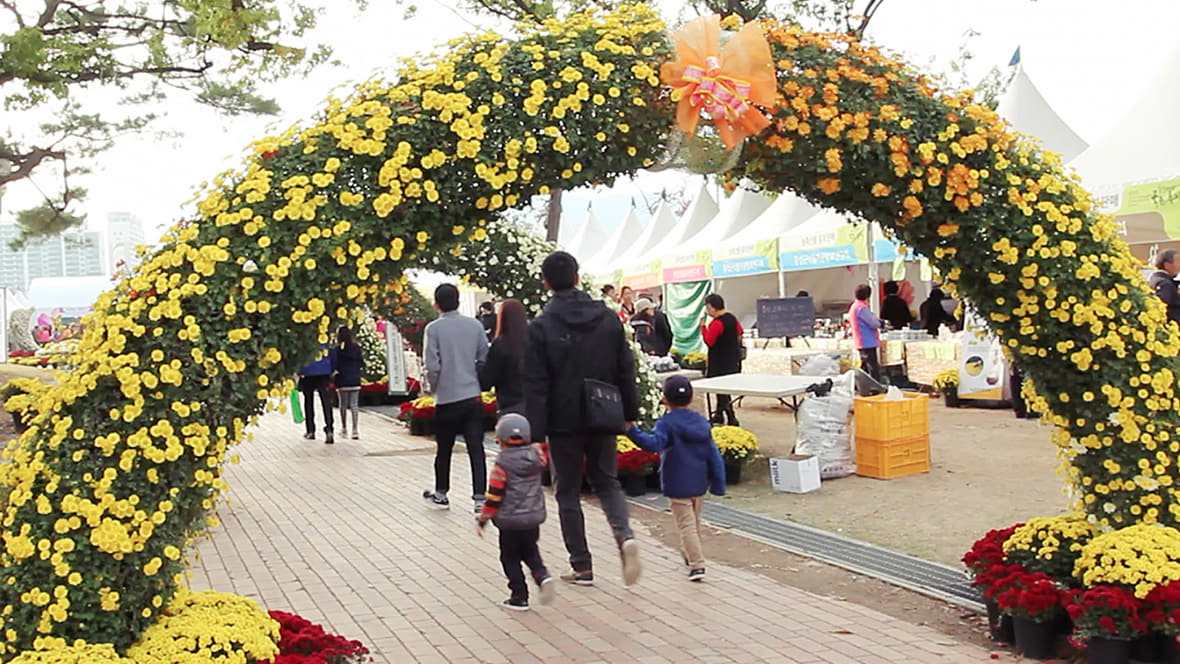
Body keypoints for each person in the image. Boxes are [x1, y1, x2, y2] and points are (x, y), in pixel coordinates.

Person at [524, 251, 642, 587]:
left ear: (547, 284)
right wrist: (628, 414)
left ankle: (582, 565)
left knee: (568, 491)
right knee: (608, 482)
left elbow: (535, 383)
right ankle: (625, 536)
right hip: (603, 411)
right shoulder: (606, 318)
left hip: (563, 421)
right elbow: (625, 368)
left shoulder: (542, 326)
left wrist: (536, 432)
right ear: (578, 277)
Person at [626, 375, 726, 581]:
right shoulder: (701, 423)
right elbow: (713, 454)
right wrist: (718, 483)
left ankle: (697, 564)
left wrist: (632, 431)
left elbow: (654, 444)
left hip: (677, 482)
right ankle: (689, 554)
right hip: (699, 482)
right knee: (694, 523)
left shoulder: (667, 423)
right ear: (691, 399)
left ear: (665, 399)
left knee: (686, 525)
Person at [476, 413, 556, 611]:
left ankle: (519, 595)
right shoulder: (536, 457)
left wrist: (483, 519)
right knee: (530, 551)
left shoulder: (502, 464)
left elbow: (494, 496)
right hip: (532, 518)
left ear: (500, 439)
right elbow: (546, 452)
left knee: (509, 557)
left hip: (509, 521)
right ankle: (542, 576)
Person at [423, 283, 490, 513]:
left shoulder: (434, 329)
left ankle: (441, 494)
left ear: (437, 304)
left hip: (447, 396)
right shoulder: (475, 325)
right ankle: (480, 498)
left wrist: (434, 387)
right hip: (472, 395)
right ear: (458, 300)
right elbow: (484, 357)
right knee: (476, 448)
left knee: (444, 448)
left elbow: (432, 365)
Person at [701, 293, 743, 426]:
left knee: (721, 389)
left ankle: (731, 417)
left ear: (712, 307)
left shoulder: (717, 323)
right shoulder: (732, 318)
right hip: (732, 358)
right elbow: (740, 333)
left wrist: (703, 327)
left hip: (719, 361)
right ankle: (719, 414)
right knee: (723, 389)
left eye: (708, 308)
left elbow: (709, 340)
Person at [480, 299, 528, 415]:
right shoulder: (535, 340)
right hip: (536, 406)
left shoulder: (500, 345)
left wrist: (479, 365)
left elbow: (486, 381)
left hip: (509, 406)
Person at [298, 345, 335, 444]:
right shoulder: (325, 333)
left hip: (307, 371)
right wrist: (333, 368)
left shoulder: (305, 334)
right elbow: (332, 349)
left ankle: (310, 430)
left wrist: (299, 369)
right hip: (324, 369)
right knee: (326, 402)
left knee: (308, 402)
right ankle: (329, 430)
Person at [332, 325, 364, 440]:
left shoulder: (338, 349)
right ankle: (355, 430)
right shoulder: (356, 347)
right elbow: (361, 362)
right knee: (354, 405)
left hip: (342, 379)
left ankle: (344, 428)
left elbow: (334, 364)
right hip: (355, 379)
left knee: (343, 405)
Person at [849, 284, 883, 382]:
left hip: (860, 340)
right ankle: (875, 387)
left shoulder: (854, 306)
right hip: (867, 341)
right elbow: (873, 323)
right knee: (872, 367)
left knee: (864, 367)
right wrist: (880, 323)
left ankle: (865, 387)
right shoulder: (861, 308)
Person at [1149, 249, 1180, 327]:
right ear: (1167, 265)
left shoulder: (1155, 280)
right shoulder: (1165, 284)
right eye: (1177, 262)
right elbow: (1163, 309)